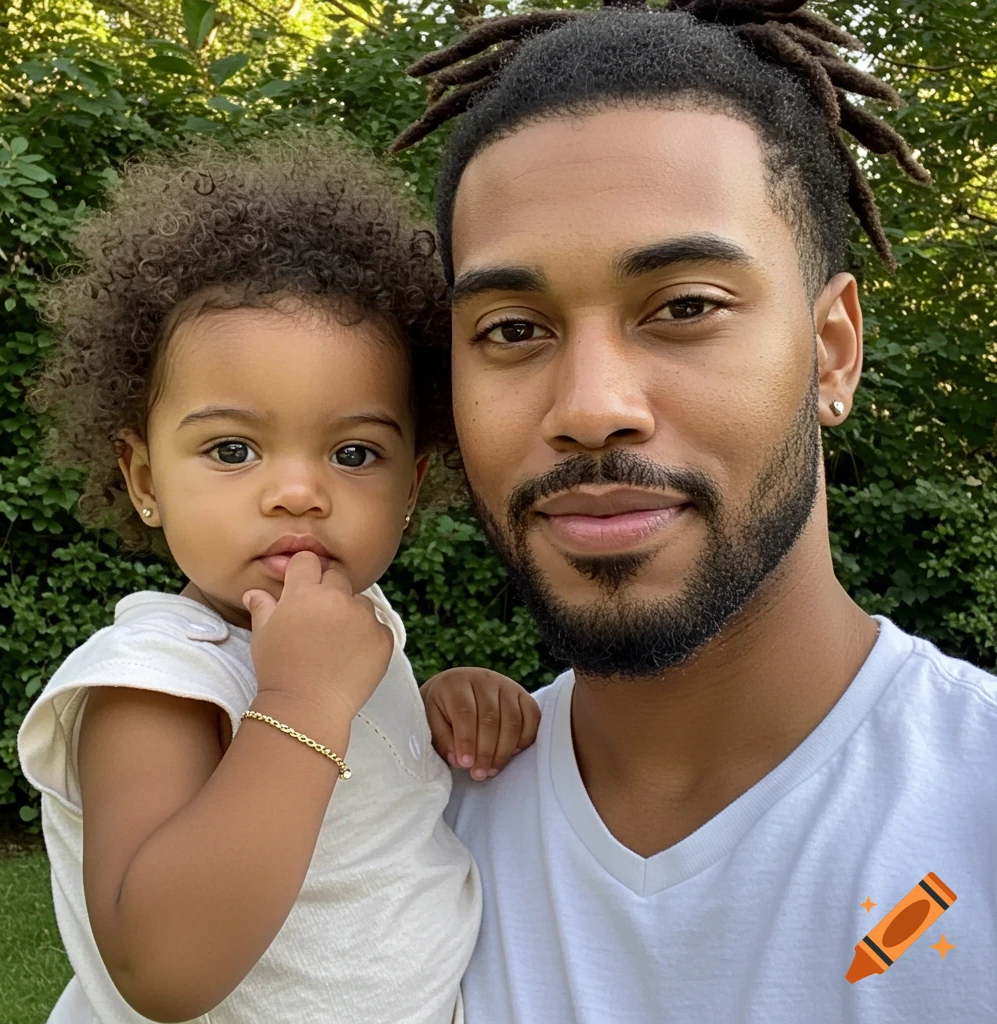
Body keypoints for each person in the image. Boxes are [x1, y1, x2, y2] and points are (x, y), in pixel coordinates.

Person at [391, 1, 997, 1021]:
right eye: (510, 328)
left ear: (831, 351)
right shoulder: (399, 832)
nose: (589, 408)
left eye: (683, 307)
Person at [17, 132, 538, 1024]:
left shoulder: (354, 632)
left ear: (411, 486)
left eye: (352, 451)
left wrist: (435, 709)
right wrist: (302, 703)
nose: (298, 491)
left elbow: (363, 818)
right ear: (145, 480)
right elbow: (164, 965)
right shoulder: (161, 678)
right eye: (232, 449)